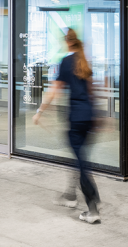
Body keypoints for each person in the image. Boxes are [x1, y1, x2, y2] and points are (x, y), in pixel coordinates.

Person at [33, 28, 101, 224]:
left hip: (77, 118)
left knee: (81, 162)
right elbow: (91, 90)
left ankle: (92, 206)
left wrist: (40, 112)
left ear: (67, 42)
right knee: (79, 156)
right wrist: (98, 117)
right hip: (88, 116)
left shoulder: (66, 61)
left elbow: (55, 90)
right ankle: (70, 196)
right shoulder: (83, 59)